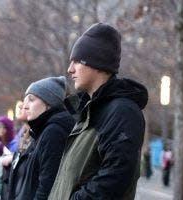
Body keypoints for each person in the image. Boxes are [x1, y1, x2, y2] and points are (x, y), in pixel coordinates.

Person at [48, 23, 148, 200]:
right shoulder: (88, 111)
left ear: (97, 63)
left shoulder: (122, 112)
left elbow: (115, 177)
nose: (70, 69)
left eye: (77, 61)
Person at [11, 76, 75, 200]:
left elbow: (46, 186)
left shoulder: (53, 132)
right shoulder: (42, 131)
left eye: (31, 100)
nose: (25, 106)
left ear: (49, 103)